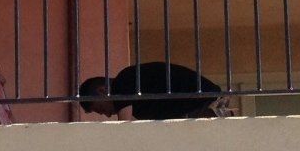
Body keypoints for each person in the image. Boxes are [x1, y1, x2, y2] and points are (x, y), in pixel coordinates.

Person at [78, 61, 222, 120]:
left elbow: (124, 128)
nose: (108, 115)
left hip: (203, 102)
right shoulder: (138, 107)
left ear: (103, 91)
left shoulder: (123, 81)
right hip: (203, 102)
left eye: (102, 109)